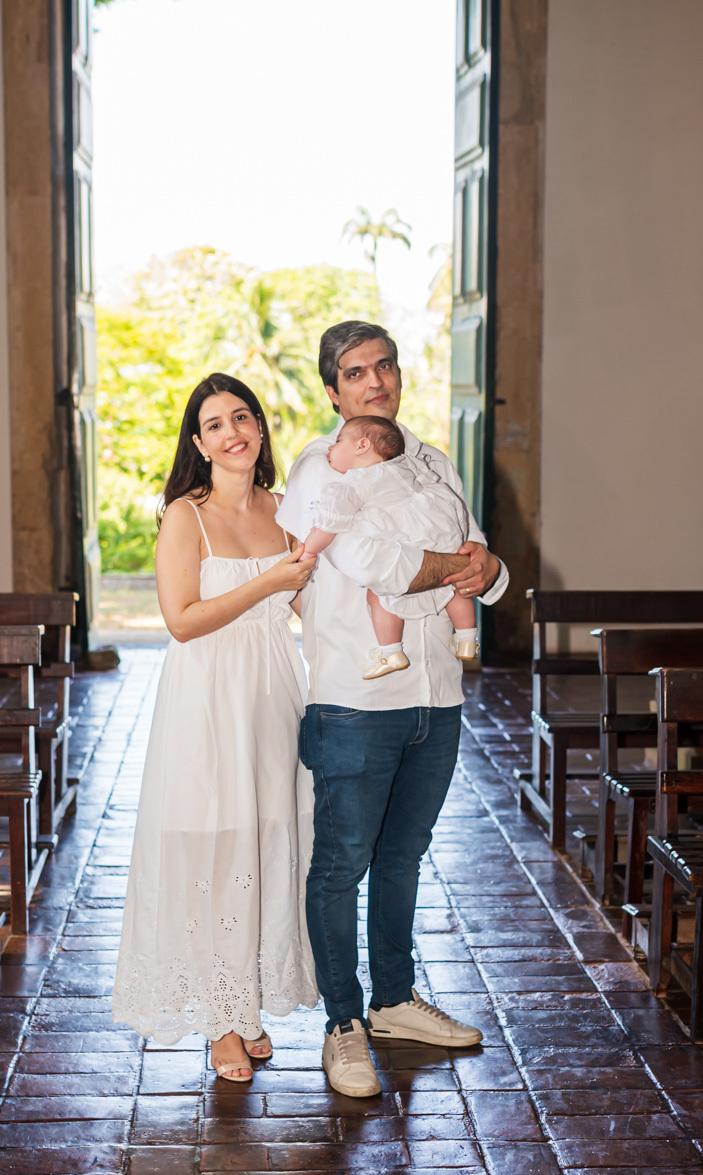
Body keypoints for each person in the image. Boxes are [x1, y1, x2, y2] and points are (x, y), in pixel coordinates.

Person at [276, 321, 508, 1098]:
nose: (374, 382)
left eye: (384, 367)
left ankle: (393, 1002)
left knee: (404, 858)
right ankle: (342, 1024)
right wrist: (459, 567)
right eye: (354, 372)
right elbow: (373, 563)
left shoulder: (431, 460)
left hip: (436, 698)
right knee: (341, 864)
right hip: (355, 701)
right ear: (332, 390)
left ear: (398, 375)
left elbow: (484, 564)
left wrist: (493, 567)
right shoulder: (321, 468)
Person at [112, 372, 319, 1082]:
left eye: (242, 417)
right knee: (214, 843)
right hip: (208, 696)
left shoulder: (287, 508)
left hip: (274, 691)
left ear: (259, 428)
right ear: (197, 444)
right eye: (215, 425)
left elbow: (310, 609)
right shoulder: (185, 516)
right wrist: (265, 582)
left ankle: (248, 999)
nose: (232, 432)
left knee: (268, 837)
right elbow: (181, 621)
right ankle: (219, 1021)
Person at [298, 414, 478, 680]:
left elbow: (330, 524)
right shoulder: (408, 465)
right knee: (452, 584)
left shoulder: (354, 482)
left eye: (337, 442)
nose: (330, 448)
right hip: (441, 528)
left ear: (361, 446)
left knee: (378, 595)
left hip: (408, 539)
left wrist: (309, 550)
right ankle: (466, 639)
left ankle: (391, 651)